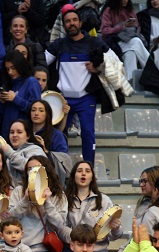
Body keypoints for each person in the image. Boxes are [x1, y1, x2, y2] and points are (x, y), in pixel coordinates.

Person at [44, 6, 107, 162]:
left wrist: (98, 67)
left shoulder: (94, 43)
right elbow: (42, 62)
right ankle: (60, 167)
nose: (71, 24)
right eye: (67, 21)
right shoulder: (58, 44)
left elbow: (114, 63)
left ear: (80, 22)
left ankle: (88, 169)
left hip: (86, 98)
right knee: (58, 134)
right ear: (63, 25)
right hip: (63, 99)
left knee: (87, 133)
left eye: (74, 20)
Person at [56, 160, 122, 252]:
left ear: (92, 177)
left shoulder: (104, 200)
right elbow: (59, 226)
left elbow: (114, 235)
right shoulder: (63, 199)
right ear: (73, 176)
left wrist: (116, 228)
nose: (83, 174)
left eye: (87, 171)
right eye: (79, 171)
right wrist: (78, 240)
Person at [7, 154, 67, 252]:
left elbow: (59, 224)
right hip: (20, 249)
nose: (33, 172)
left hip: (45, 249)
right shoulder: (18, 191)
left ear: (46, 171)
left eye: (37, 168)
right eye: (30, 169)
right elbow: (9, 220)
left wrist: (47, 202)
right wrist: (25, 201)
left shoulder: (58, 195)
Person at [0, 51, 40, 140]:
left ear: (20, 66)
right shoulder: (8, 85)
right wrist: (2, 103)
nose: (10, 72)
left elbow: (36, 110)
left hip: (24, 135)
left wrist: (15, 99)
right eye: (7, 69)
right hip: (7, 134)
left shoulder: (31, 82)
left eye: (13, 68)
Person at [100, 0, 150, 80]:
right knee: (136, 42)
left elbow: (138, 27)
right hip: (115, 42)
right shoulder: (109, 10)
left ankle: (130, 81)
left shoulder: (129, 10)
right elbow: (105, 31)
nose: (124, 0)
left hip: (129, 39)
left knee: (131, 53)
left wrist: (134, 26)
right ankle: (152, 69)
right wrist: (122, 26)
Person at [28, 99, 70, 169]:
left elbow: (64, 159)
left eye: (41, 110)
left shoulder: (56, 135)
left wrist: (46, 151)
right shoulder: (25, 132)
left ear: (47, 114)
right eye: (33, 110)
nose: (36, 113)